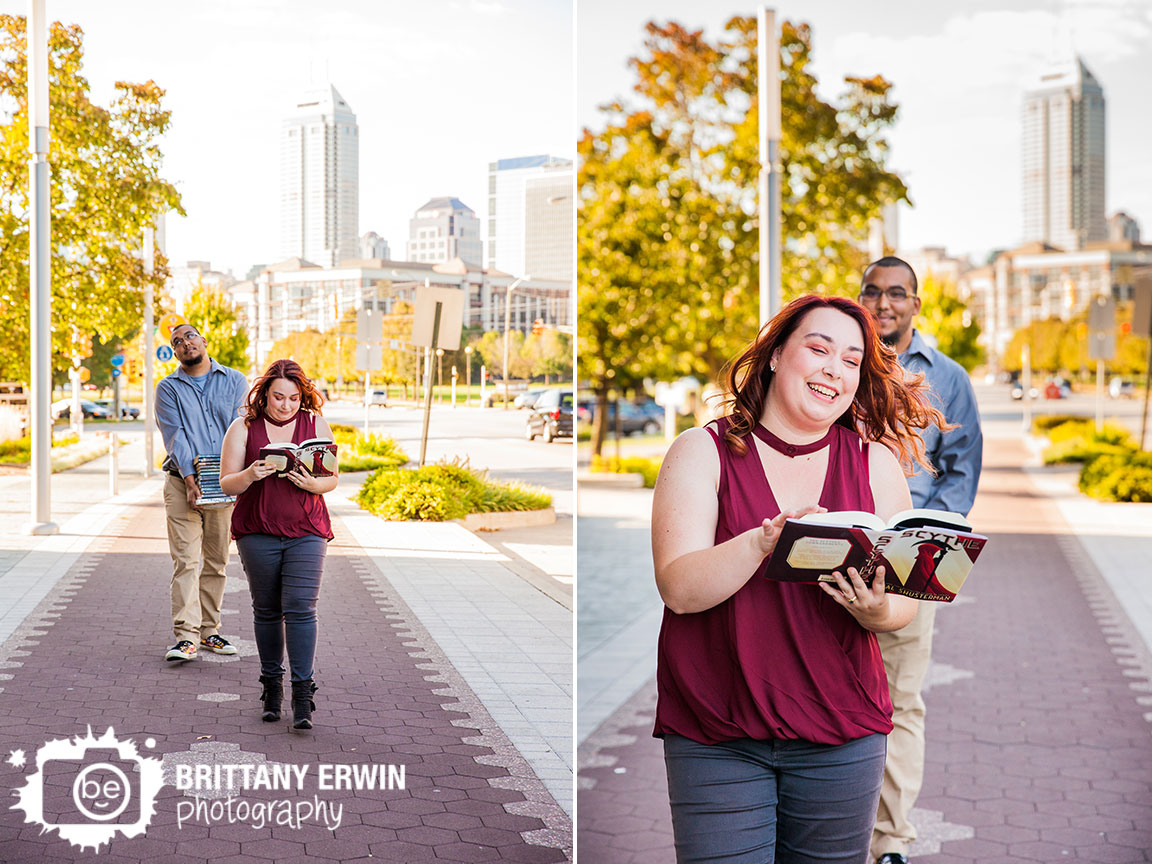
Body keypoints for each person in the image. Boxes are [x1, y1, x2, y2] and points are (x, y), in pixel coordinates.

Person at [652, 295, 947, 863]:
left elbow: (903, 604)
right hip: (718, 734)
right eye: (819, 349)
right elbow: (679, 589)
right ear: (774, 356)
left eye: (852, 360)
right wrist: (767, 540)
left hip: (843, 734)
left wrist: (875, 610)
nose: (835, 368)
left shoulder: (874, 463)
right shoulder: (702, 452)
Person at [858, 257, 983, 864]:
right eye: (873, 292)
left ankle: (890, 844)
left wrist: (938, 535)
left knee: (902, 700)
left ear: (915, 304)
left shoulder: (949, 377)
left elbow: (963, 467)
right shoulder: (840, 365)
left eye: (897, 294)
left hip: (914, 559)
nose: (885, 304)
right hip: (843, 556)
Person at [219, 359, 337, 730]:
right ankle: (272, 687)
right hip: (258, 531)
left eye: (293, 397)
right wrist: (250, 474)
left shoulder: (315, 423)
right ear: (263, 394)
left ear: (302, 396)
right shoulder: (243, 427)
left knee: (301, 608)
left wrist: (312, 484)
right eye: (278, 397)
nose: (285, 405)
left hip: (307, 529)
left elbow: (331, 479)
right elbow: (226, 484)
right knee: (267, 609)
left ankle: (303, 695)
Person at [155, 323, 250, 663]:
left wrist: (235, 476)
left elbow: (242, 425)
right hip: (182, 484)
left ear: (204, 341)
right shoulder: (167, 388)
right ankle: (185, 637)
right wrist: (191, 476)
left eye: (190, 336)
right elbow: (174, 435)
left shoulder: (236, 381)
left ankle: (210, 632)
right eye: (177, 341)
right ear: (175, 352)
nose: (185, 343)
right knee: (186, 561)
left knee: (217, 562)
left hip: (222, 483)